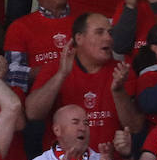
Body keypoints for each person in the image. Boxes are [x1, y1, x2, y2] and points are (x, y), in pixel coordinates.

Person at [25, 12, 140, 151]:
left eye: (110, 33)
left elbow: (134, 127)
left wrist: (119, 91)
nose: (108, 38)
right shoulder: (55, 69)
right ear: (79, 38)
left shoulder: (121, 71)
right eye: (99, 32)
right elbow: (32, 113)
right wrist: (61, 75)